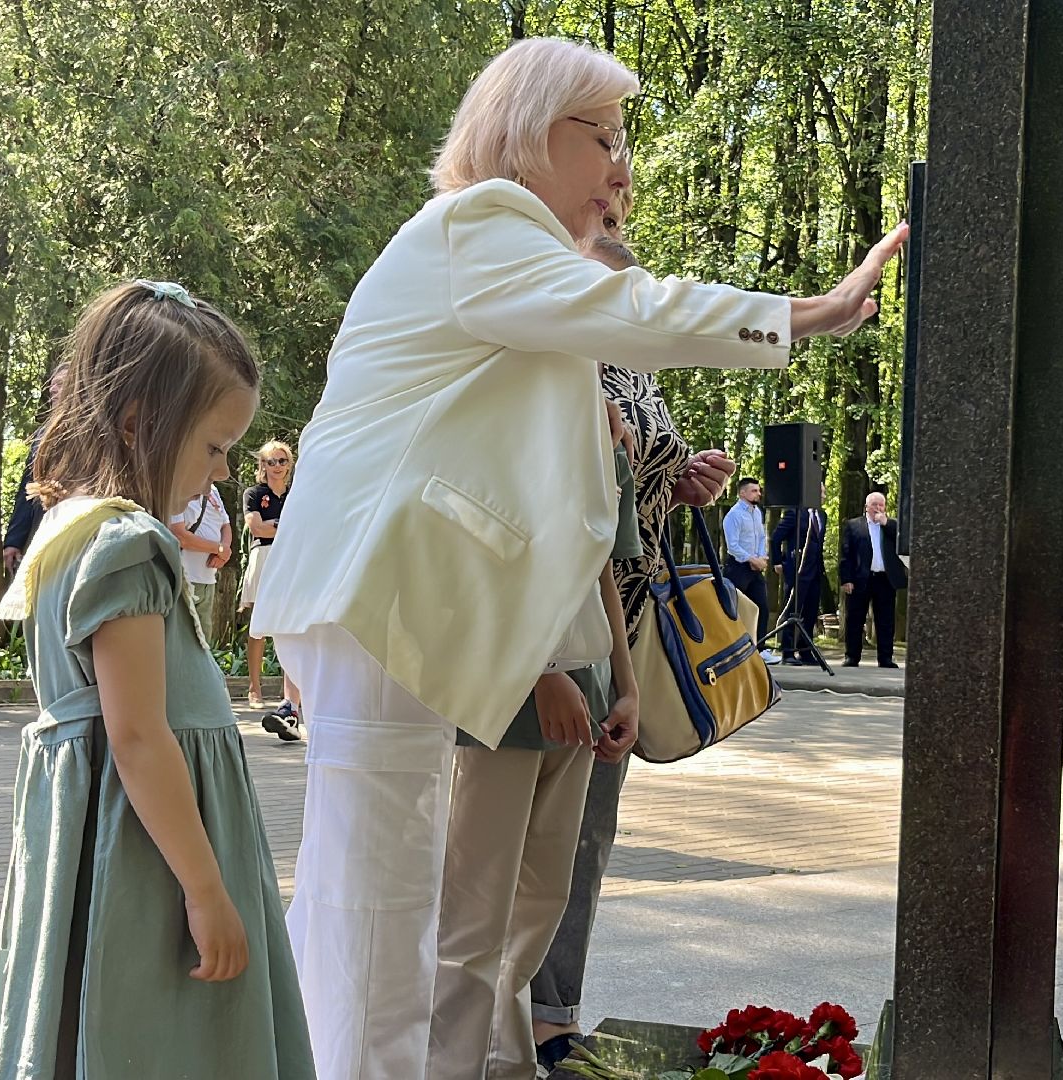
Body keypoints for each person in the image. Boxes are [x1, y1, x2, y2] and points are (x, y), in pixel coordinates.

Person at [247, 37, 903, 1080]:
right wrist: (805, 314)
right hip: (383, 601)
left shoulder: (506, 269)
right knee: (376, 907)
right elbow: (628, 308)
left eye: (623, 142)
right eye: (600, 136)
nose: (621, 171)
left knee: (380, 897)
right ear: (521, 133)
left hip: (393, 608)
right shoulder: (482, 222)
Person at [0, 279, 315, 1078]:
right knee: (163, 1038)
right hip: (149, 857)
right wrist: (205, 887)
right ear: (140, 423)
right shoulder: (128, 540)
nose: (225, 471)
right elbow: (136, 733)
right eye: (213, 447)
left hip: (112, 838)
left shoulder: (71, 526)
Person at [529, 210, 742, 1074]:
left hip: (628, 618)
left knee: (587, 835)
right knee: (529, 836)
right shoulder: (553, 358)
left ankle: (553, 1014)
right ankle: (510, 1016)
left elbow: (636, 478)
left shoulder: (637, 365)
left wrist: (685, 481)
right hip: (551, 620)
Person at [428, 428, 642, 1080]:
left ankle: (503, 1058)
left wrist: (627, 684)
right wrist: (539, 669)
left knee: (543, 897)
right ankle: (452, 1065)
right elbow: (469, 554)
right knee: (474, 908)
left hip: (590, 692)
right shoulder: (502, 417)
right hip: (503, 694)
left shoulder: (607, 438)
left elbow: (601, 562)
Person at [241, 440, 302, 738]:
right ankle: (255, 686)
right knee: (260, 625)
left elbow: (303, 528)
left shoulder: (297, 494)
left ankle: (290, 703)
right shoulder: (254, 493)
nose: (277, 466)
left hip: (292, 558)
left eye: (282, 460)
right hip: (265, 555)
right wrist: (284, 525)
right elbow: (257, 528)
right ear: (262, 466)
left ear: (289, 464)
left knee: (288, 625)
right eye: (271, 461)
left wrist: (277, 525)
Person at [0, 362, 71, 575]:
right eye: (52, 385)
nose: (53, 389)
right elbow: (27, 488)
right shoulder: (43, 434)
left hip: (73, 528)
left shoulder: (96, 430)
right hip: (40, 526)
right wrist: (14, 539)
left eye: (60, 384)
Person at [838, 491, 908, 669]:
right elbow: (846, 554)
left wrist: (886, 523)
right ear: (866, 507)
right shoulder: (854, 526)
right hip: (861, 578)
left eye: (881, 505)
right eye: (874, 504)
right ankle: (852, 656)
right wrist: (846, 579)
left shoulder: (892, 526)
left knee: (885, 620)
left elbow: (905, 540)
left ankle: (885, 658)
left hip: (885, 579)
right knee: (855, 618)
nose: (878, 508)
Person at [169, 484, 234, 642]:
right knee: (180, 642)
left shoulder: (213, 489)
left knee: (203, 644)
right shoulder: (176, 485)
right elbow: (179, 535)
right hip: (184, 579)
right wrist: (218, 549)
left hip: (208, 580)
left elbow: (225, 524)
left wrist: (224, 551)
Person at [771, 496, 829, 666]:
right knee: (792, 609)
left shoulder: (821, 515)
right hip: (798, 569)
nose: (824, 497)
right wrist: (778, 561)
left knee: (810, 612)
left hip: (815, 570)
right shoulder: (794, 513)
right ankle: (787, 651)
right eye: (821, 493)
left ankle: (805, 651)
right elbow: (776, 537)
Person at [722, 477, 774, 654]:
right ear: (742, 493)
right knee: (736, 608)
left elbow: (760, 537)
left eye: (759, 491)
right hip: (738, 568)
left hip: (755, 568)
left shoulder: (757, 512)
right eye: (754, 491)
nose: (758, 494)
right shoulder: (734, 515)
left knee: (761, 606)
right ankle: (733, 647)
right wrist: (751, 559)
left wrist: (760, 558)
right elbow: (733, 546)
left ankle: (760, 648)